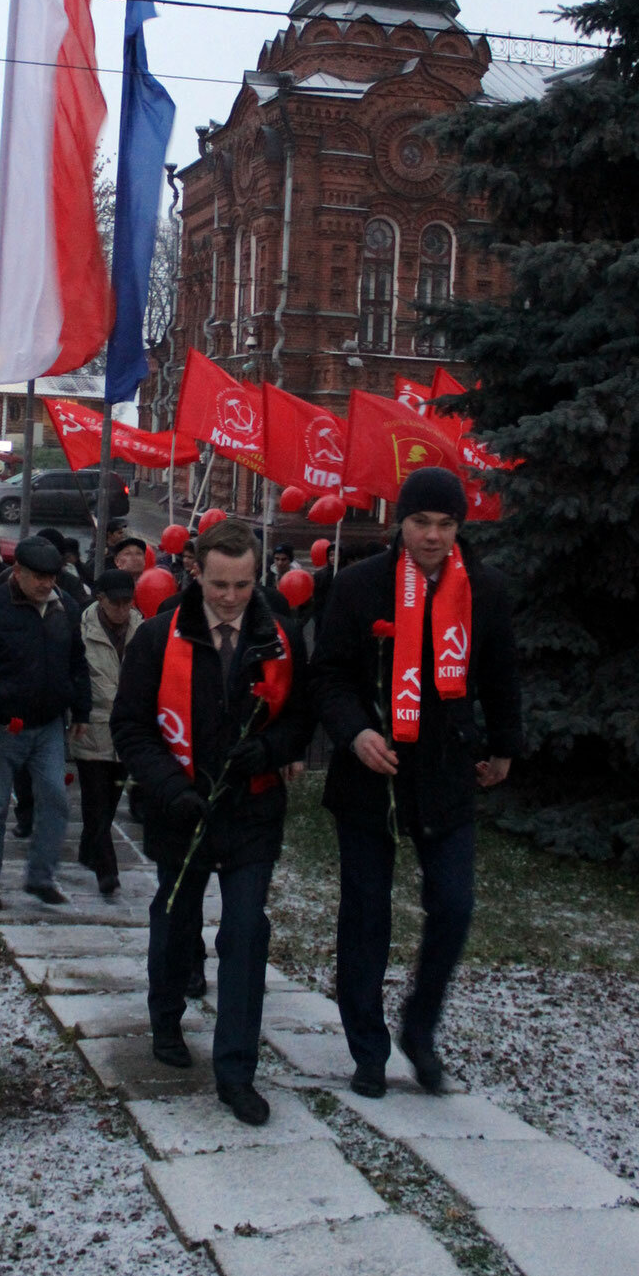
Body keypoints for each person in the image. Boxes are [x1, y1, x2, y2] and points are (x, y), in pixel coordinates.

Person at [311, 470, 521, 1099]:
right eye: (422, 523)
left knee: (454, 906)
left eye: (445, 524)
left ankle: (420, 1030)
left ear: (459, 528)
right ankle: (367, 1049)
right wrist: (355, 732)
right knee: (366, 915)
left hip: (444, 770)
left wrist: (504, 745)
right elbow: (328, 676)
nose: (432, 536)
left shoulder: (483, 588)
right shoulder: (358, 587)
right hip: (371, 771)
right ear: (400, 523)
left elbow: (501, 672)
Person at [111, 517, 311, 1127]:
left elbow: (303, 720)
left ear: (257, 578)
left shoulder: (280, 636)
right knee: (175, 920)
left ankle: (236, 1071)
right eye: (219, 585)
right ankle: (165, 1019)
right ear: (197, 572)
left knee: (246, 932)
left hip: (251, 811)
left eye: (243, 585)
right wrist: (169, 788)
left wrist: (272, 751)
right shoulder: (159, 635)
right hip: (184, 809)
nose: (229, 598)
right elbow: (131, 727)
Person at [0, 534, 92, 911]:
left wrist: (82, 709)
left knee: (55, 800)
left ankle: (41, 877)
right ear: (18, 572)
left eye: (52, 577)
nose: (47, 584)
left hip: (48, 725)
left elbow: (77, 662)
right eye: (39, 577)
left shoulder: (65, 609)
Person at [71, 568, 142, 897]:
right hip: (92, 727)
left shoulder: (141, 630)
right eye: (116, 602)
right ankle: (107, 871)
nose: (122, 608)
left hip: (128, 731)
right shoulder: (81, 629)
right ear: (100, 599)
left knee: (111, 801)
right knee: (96, 802)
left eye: (128, 602)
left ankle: (89, 850)